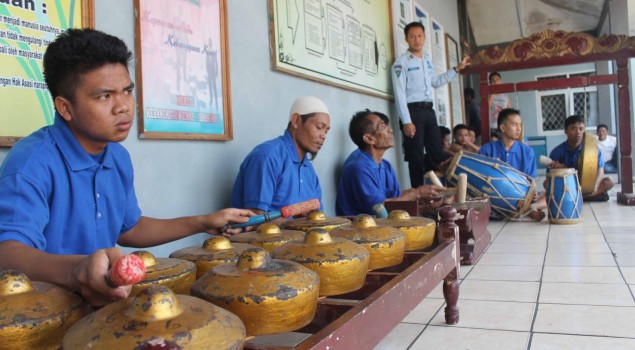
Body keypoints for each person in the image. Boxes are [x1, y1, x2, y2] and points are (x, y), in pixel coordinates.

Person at [0, 29, 254, 307]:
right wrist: (77, 271)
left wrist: (203, 222)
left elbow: (128, 228)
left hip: (103, 312)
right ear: (65, 108)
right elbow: (8, 254)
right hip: (44, 317)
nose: (123, 107)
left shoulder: (117, 156)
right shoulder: (31, 162)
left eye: (127, 91)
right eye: (104, 96)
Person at [392, 21, 471, 188]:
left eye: (419, 36)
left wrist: (456, 69)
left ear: (424, 37)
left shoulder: (427, 61)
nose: (416, 39)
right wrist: (406, 121)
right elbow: (399, 93)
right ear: (406, 39)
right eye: (412, 36)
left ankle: (442, 190)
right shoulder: (401, 63)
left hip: (429, 112)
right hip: (412, 112)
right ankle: (418, 195)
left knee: (437, 153)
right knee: (416, 157)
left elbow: (435, 81)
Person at [231, 96, 330, 216]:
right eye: (319, 127)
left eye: (326, 131)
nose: (323, 136)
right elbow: (255, 219)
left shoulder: (309, 169)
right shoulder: (267, 157)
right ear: (296, 121)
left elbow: (317, 217)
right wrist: (298, 224)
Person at [335, 110, 443, 216]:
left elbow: (395, 200)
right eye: (382, 126)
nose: (390, 130)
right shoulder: (357, 168)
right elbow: (379, 209)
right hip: (357, 230)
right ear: (369, 138)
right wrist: (417, 193)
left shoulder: (386, 166)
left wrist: (424, 208)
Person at [479, 108, 544, 221]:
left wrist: (532, 194)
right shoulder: (487, 150)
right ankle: (528, 211)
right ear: (503, 127)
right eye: (514, 124)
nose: (519, 129)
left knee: (549, 192)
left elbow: (531, 180)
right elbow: (479, 179)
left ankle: (529, 208)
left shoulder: (527, 152)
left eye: (520, 125)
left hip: (520, 197)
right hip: (493, 197)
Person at [549, 115, 614, 201]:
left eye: (581, 129)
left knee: (609, 181)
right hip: (568, 186)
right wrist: (561, 170)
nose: (578, 132)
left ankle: (578, 198)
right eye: (573, 129)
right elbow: (550, 178)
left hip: (587, 185)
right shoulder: (557, 152)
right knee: (546, 184)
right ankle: (591, 196)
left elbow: (600, 171)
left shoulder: (593, 149)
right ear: (566, 131)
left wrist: (596, 185)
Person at [488, 72, 511, 136]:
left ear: (500, 81)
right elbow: (487, 106)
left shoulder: (506, 96)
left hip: (504, 125)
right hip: (492, 126)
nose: (495, 82)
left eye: (497, 80)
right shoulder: (489, 96)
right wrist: (492, 92)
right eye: (493, 81)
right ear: (490, 83)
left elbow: (509, 112)